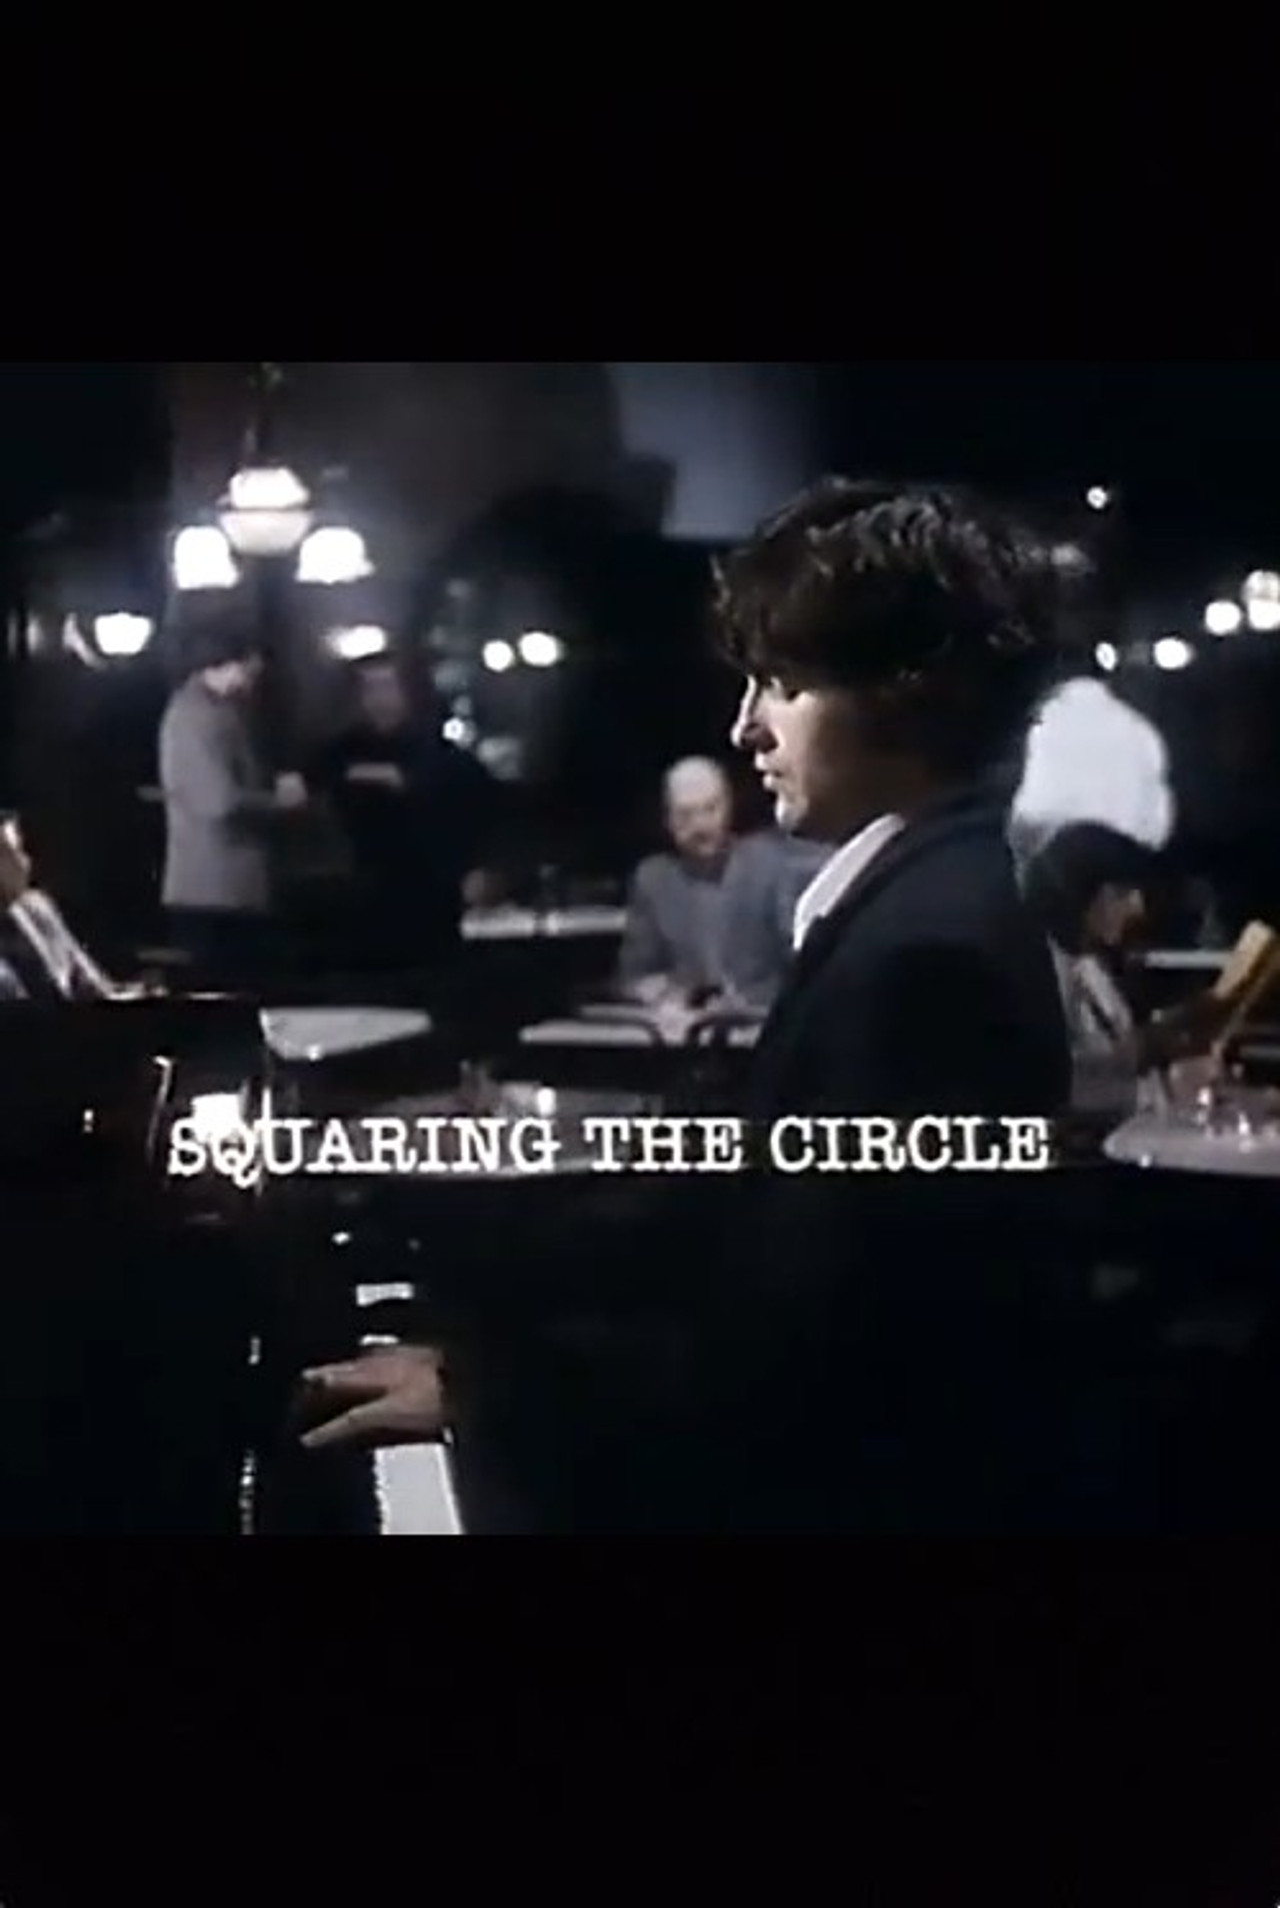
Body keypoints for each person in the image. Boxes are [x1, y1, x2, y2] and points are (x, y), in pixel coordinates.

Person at [297, 479, 1075, 1532]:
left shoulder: (924, 953)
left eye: (782, 685)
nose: (744, 727)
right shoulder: (924, 898)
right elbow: (750, 1225)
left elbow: (802, 1353)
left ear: (905, 692)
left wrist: (490, 1394)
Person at [312, 655, 506, 974]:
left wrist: (481, 867)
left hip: (431, 899)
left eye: (387, 687)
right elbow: (311, 791)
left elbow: (484, 810)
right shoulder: (339, 753)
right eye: (369, 689)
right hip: (361, 902)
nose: (379, 698)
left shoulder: (443, 755)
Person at [1024, 822, 1234, 1111]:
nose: (1137, 906)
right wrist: (1162, 1088)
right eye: (1120, 893)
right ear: (1082, 897)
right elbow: (1060, 1085)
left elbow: (1118, 1056)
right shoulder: (1041, 977)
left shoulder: (1093, 965)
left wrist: (1172, 1031)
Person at [618, 756, 829, 1020]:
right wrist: (669, 997)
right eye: (685, 815)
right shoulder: (653, 880)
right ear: (667, 820)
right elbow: (635, 975)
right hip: (686, 1028)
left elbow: (802, 966)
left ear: (728, 808)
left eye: (710, 810)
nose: (700, 826)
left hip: (764, 1023)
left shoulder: (770, 866)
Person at [159, 621, 308, 986]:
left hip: (229, 889)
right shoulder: (195, 717)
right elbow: (217, 802)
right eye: (249, 669)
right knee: (223, 990)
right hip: (213, 889)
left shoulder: (220, 712)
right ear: (225, 663)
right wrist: (280, 802)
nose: (252, 679)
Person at [0, 816, 142, 1002]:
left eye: (23, 851)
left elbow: (85, 976)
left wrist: (122, 996)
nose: (26, 863)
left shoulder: (37, 907)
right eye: (15, 853)